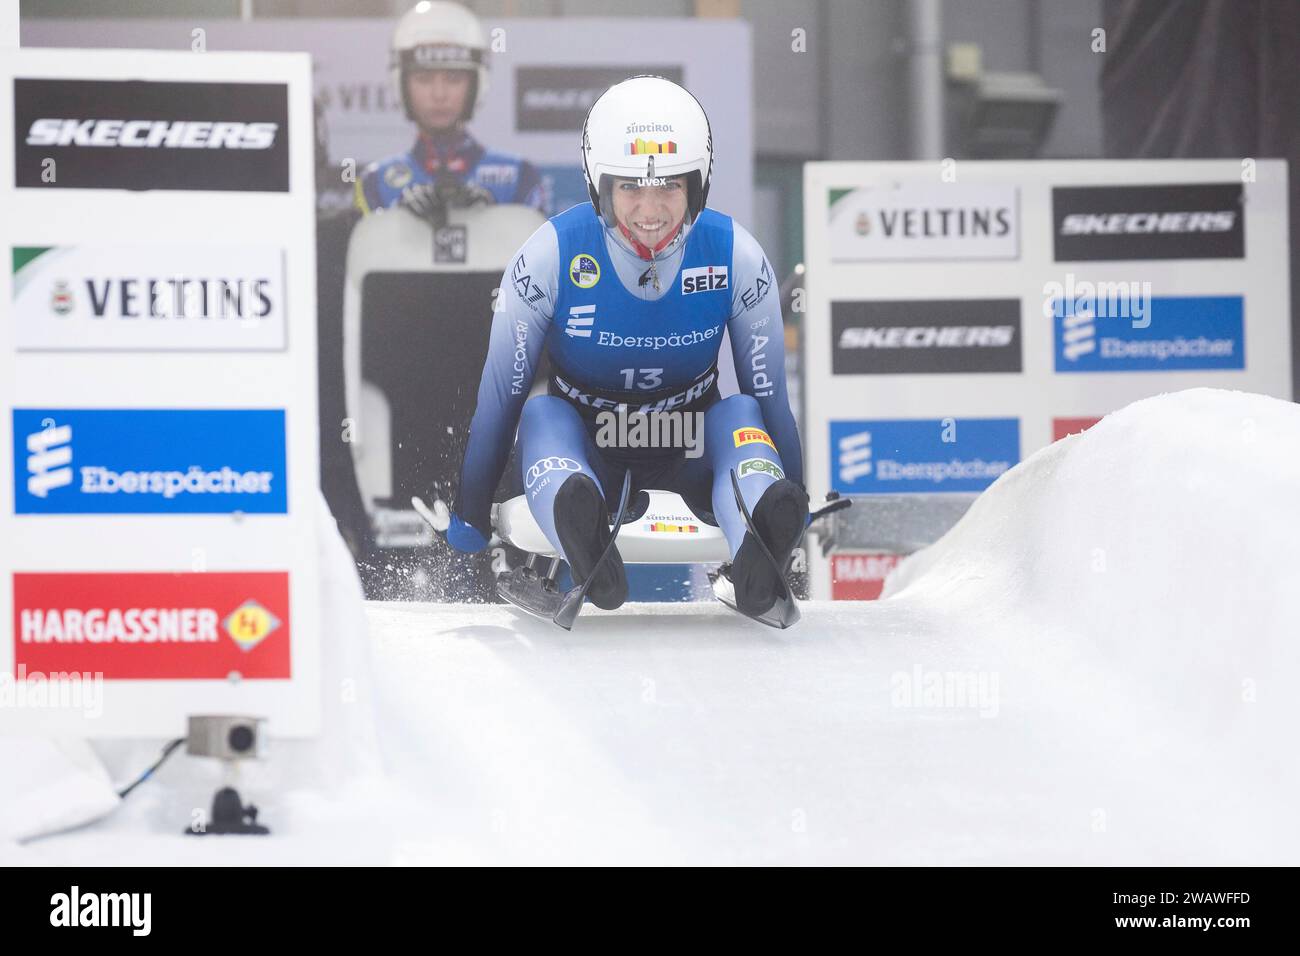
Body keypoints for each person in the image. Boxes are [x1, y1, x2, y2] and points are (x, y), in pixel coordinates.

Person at [443, 75, 806, 618]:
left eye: (669, 188)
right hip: (584, 442)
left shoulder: (737, 256)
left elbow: (769, 397)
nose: (651, 210)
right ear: (600, 186)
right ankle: (582, 534)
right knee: (543, 414)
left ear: (698, 184)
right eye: (631, 187)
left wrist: (793, 506)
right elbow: (502, 396)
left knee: (742, 412)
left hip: (693, 445)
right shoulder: (548, 256)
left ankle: (761, 533)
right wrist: (471, 517)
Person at [355, 1, 547, 216]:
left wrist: (492, 217)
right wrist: (400, 219)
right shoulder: (375, 182)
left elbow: (537, 247)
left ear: (476, 84)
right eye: (424, 79)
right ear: (402, 84)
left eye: (454, 79)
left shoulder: (519, 177)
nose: (439, 94)